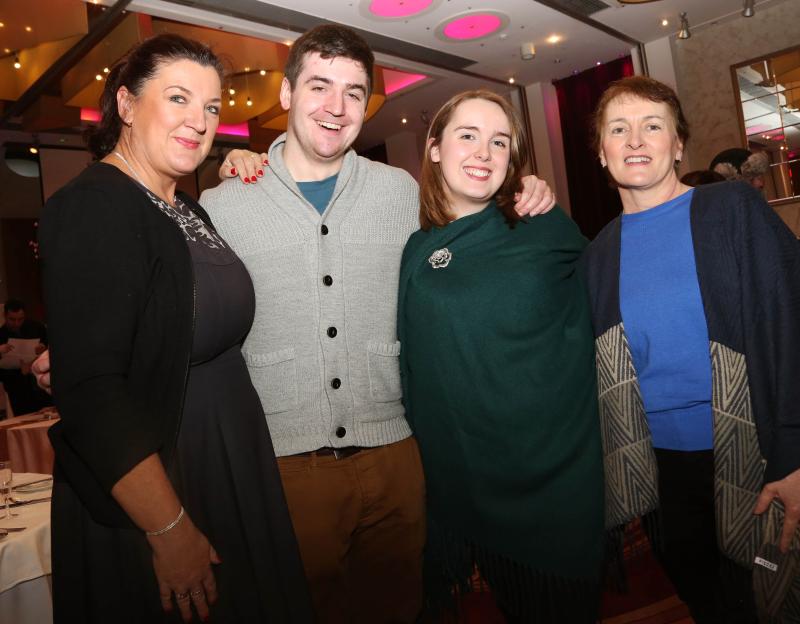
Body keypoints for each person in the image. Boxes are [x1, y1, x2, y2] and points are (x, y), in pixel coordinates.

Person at [203, 24, 555, 624]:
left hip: (395, 454)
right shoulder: (226, 203)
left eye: (353, 92)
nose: (336, 108)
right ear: (286, 95)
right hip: (285, 463)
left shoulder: (401, 191)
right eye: (319, 86)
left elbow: (473, 226)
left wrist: (527, 191)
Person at [38, 34, 312, 623]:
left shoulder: (186, 206)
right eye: (180, 98)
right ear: (127, 105)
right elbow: (92, 390)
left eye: (212, 108)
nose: (199, 120)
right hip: (160, 486)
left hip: (223, 461)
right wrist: (169, 528)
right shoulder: (94, 205)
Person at [583, 75, 800, 623]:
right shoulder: (598, 255)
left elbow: (798, 324)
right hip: (662, 473)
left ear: (678, 145)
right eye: (618, 129)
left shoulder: (733, 210)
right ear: (600, 152)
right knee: (709, 601)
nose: (635, 140)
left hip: (761, 451)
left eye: (653, 126)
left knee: (780, 595)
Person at [397, 90, 603, 623]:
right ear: (435, 148)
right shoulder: (415, 248)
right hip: (460, 483)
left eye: (499, 142)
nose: (483, 152)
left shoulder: (545, 226)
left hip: (550, 479)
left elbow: (610, 303)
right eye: (467, 136)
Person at [0, 298, 51, 415]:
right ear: (5, 315)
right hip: (16, 388)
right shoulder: (1, 334)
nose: (16, 323)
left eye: (20, 319)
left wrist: (42, 349)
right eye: (12, 319)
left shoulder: (37, 327)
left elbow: (50, 349)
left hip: (39, 385)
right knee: (24, 418)